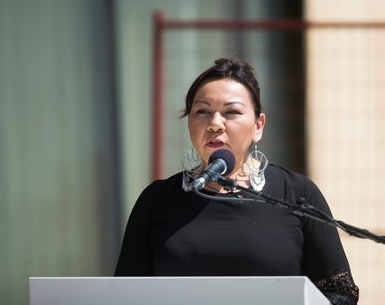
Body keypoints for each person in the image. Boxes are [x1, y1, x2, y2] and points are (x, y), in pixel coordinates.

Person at [114, 57, 359, 304]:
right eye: (202, 112)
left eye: (231, 112)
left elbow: (341, 294)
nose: (214, 124)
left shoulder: (296, 194)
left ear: (258, 126)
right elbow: (124, 294)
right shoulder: (157, 200)